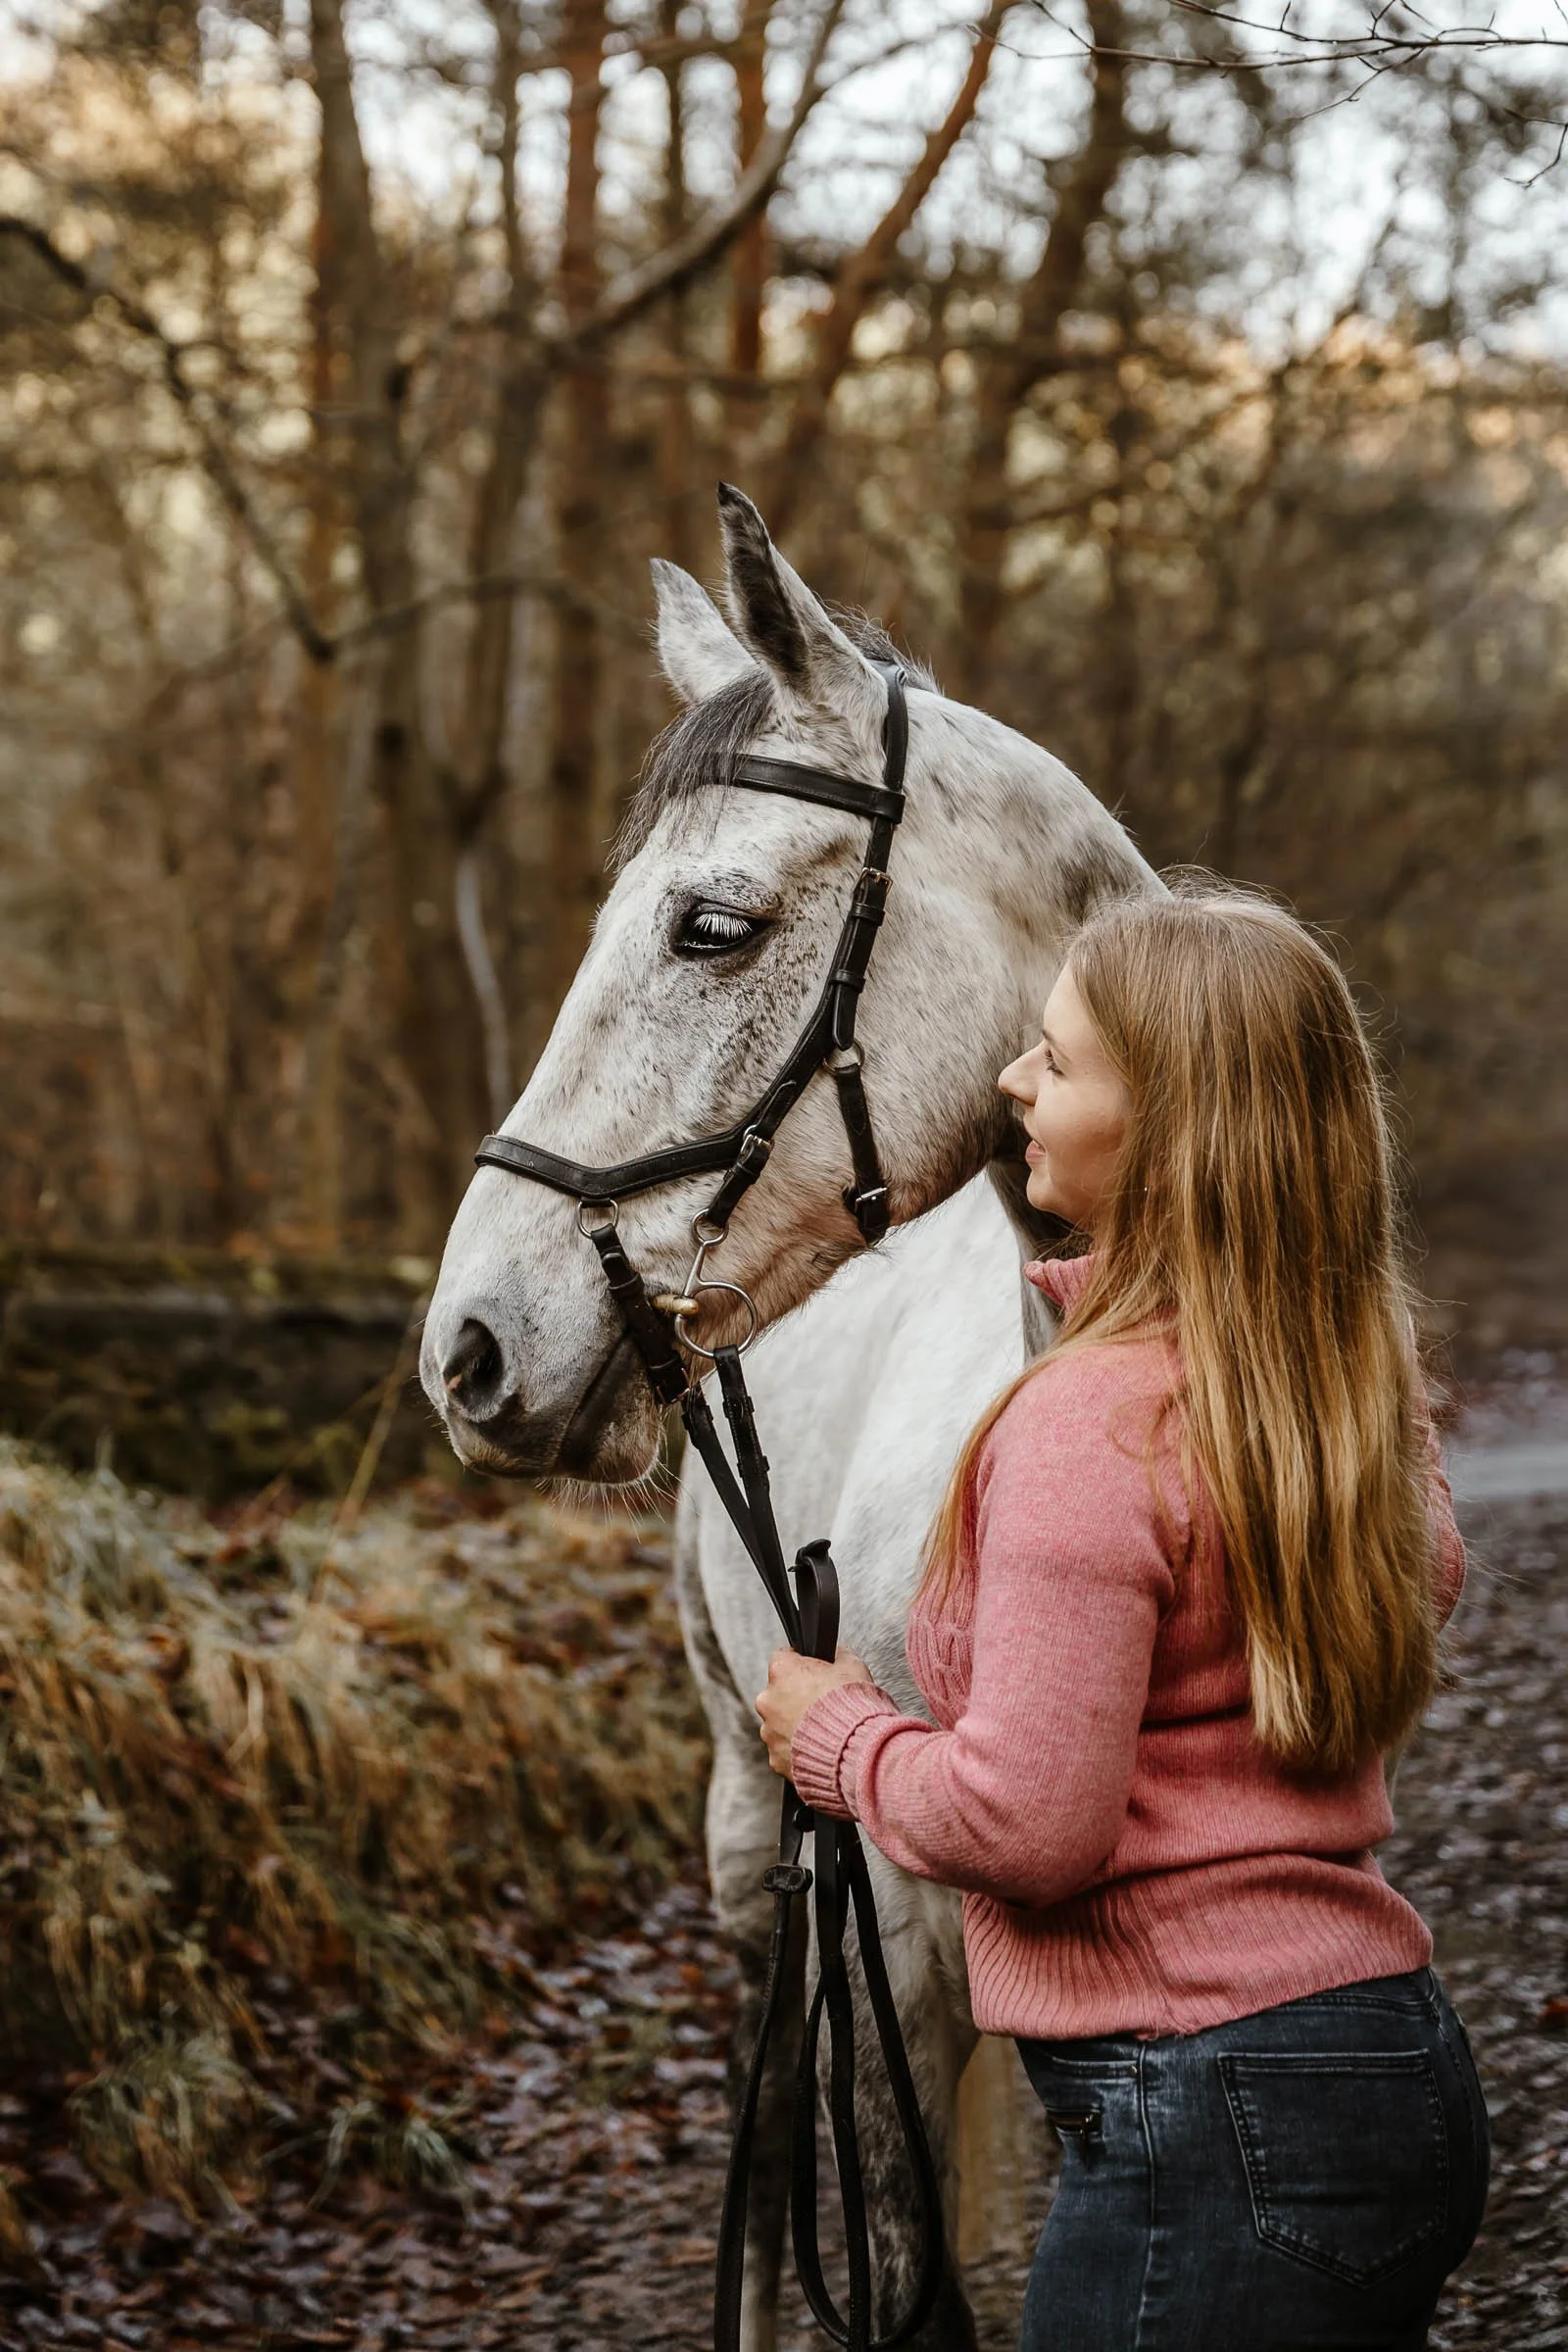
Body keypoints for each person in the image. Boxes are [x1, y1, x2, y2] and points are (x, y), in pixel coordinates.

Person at [755, 881, 1490, 2352]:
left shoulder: (1090, 1420)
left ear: (1174, 1126)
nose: (1013, 1082)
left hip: (1207, 2114)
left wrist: (841, 1739)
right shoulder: (1341, 1393)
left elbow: (1033, 1825)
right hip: (1393, 2062)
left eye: (1061, 1060)